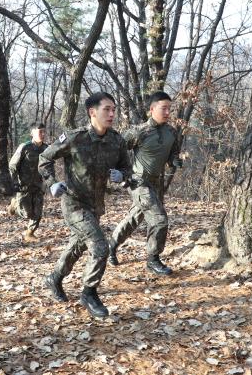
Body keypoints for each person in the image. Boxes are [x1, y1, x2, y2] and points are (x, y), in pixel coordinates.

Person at [40, 92, 131, 318]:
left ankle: (54, 278)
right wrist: (52, 183)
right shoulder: (75, 138)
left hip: (96, 205)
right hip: (73, 204)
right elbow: (45, 158)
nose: (112, 114)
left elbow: (127, 169)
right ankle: (89, 293)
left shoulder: (117, 141)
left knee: (78, 246)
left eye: (113, 110)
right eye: (106, 109)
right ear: (92, 112)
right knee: (100, 247)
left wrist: (122, 176)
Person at [109, 91, 182, 275]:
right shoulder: (139, 131)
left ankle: (111, 245)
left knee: (135, 218)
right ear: (152, 109)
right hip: (138, 182)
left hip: (156, 183)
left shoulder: (172, 132)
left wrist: (174, 161)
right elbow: (116, 149)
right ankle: (153, 259)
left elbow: (173, 153)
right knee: (159, 220)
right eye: (163, 108)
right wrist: (121, 173)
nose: (167, 112)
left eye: (169, 109)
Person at [8, 122, 48, 243]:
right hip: (24, 185)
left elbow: (49, 166)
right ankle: (14, 205)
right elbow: (13, 165)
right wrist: (15, 182)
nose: (42, 134)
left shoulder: (46, 148)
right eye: (39, 131)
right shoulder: (25, 147)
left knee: (38, 213)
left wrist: (49, 183)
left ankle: (29, 233)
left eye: (44, 131)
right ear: (32, 133)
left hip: (38, 185)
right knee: (26, 213)